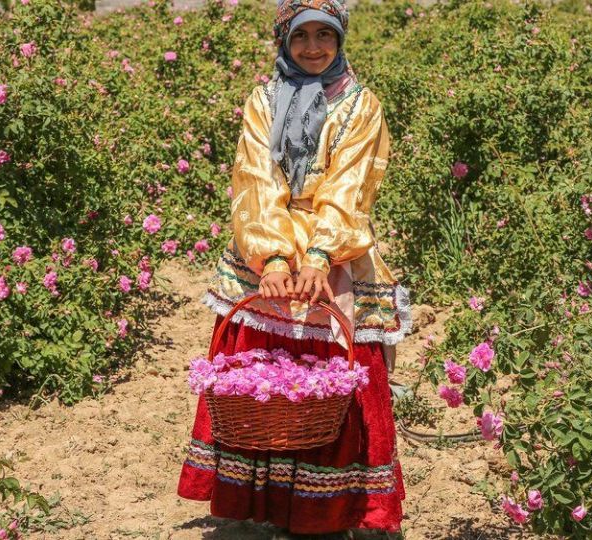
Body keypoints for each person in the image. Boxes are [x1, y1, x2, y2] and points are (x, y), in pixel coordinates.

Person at [176, 0, 412, 538]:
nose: (312, 47)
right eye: (301, 35)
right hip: (267, 249)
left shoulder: (360, 105)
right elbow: (255, 179)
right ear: (283, 39)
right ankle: (265, 506)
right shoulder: (262, 100)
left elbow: (352, 186)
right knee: (264, 382)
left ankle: (328, 512)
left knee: (337, 379)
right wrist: (274, 257)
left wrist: (321, 256)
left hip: (337, 250)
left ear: (340, 39)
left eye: (324, 35)